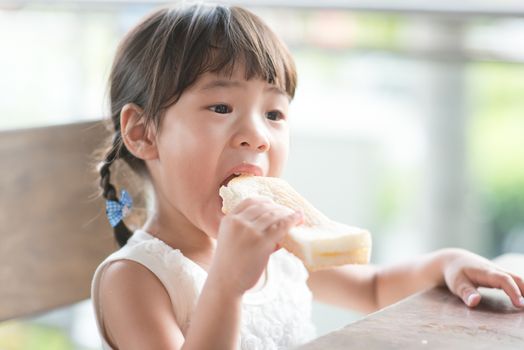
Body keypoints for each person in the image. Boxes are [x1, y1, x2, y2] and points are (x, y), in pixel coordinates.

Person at [91, 3, 524, 350]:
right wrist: (225, 285)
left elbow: (372, 289)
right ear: (142, 133)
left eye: (274, 113)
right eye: (222, 107)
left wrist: (445, 262)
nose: (258, 137)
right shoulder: (134, 280)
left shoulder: (280, 247)